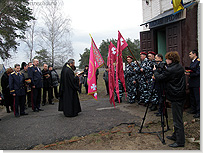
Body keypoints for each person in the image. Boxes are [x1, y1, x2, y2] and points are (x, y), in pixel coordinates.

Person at [154, 51, 186, 148]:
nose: (166, 60)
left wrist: (155, 71)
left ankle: (180, 141)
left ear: (171, 60)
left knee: (177, 119)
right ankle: (175, 135)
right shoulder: (179, 67)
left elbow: (159, 78)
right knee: (177, 117)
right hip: (179, 94)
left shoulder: (171, 70)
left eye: (167, 59)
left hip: (176, 96)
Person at [185, 50, 200, 118]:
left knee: (197, 98)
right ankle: (193, 109)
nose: (189, 55)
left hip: (196, 82)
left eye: (190, 54)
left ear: (194, 54)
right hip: (192, 82)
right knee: (192, 97)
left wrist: (190, 74)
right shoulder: (192, 62)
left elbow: (198, 72)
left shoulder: (198, 62)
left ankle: (199, 111)